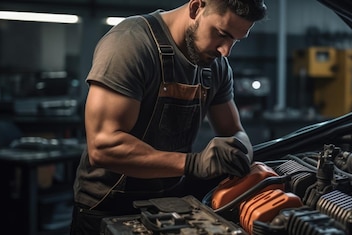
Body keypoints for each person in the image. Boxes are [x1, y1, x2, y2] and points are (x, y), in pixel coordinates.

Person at [69, 0, 267, 234]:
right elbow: (103, 147)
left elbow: (234, 130)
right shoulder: (131, 44)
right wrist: (193, 163)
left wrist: (240, 149)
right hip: (108, 208)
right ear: (196, 7)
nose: (226, 50)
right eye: (222, 34)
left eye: (235, 40)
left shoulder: (216, 66)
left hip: (171, 204)